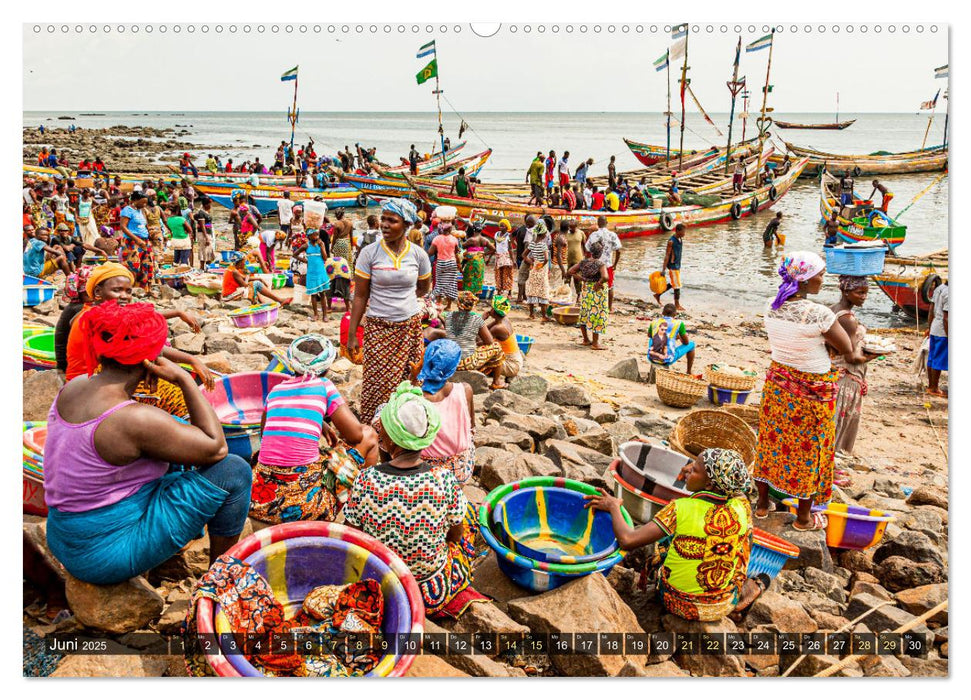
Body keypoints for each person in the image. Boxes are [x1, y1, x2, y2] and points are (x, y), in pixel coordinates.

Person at [44, 301, 252, 585]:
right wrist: (183, 379)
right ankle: (221, 579)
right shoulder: (134, 419)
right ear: (149, 361)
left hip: (65, 537)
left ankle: (176, 546)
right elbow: (217, 448)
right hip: (102, 554)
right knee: (234, 470)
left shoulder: (75, 386)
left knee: (177, 438)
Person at [343, 382, 487, 619]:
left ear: (388, 439)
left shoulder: (366, 479)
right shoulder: (444, 479)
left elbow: (354, 536)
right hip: (431, 590)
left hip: (381, 586)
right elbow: (455, 535)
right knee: (467, 519)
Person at [586, 449, 768, 623]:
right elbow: (736, 491)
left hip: (676, 603)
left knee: (654, 544)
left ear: (709, 484)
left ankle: (742, 593)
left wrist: (613, 506)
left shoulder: (679, 508)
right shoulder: (741, 506)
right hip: (721, 606)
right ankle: (742, 592)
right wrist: (697, 471)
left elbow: (627, 540)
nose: (687, 469)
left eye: (694, 469)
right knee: (739, 541)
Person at [754, 252, 863, 530]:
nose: (822, 280)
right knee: (810, 451)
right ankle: (804, 518)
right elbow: (847, 349)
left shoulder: (771, 305)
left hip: (779, 384)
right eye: (819, 274)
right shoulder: (818, 313)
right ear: (804, 279)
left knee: (771, 443)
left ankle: (763, 506)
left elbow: (798, 339)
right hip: (811, 391)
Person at [251, 336, 378, 524]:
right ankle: (363, 505)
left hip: (262, 501)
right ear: (326, 368)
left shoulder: (276, 390)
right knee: (370, 435)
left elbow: (266, 436)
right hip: (306, 506)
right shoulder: (324, 386)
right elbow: (356, 435)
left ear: (292, 364)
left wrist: (322, 423)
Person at [347, 199, 432, 423]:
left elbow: (423, 288)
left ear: (406, 225)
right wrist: (352, 334)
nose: (384, 224)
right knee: (377, 383)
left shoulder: (418, 255)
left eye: (391, 221)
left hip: (409, 328)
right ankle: (374, 429)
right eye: (383, 219)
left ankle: (403, 428)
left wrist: (402, 301)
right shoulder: (369, 253)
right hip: (378, 327)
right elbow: (360, 296)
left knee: (409, 381)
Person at [831, 276, 880, 455]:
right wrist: (872, 356)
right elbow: (851, 357)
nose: (864, 297)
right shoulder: (847, 319)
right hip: (846, 376)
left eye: (866, 293)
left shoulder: (834, 310)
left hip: (835, 371)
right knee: (839, 420)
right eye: (859, 292)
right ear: (845, 292)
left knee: (834, 420)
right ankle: (831, 462)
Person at [415, 340, 476, 484]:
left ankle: (391, 467)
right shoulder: (465, 389)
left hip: (424, 466)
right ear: (453, 368)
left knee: (382, 416)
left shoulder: (415, 395)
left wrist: (412, 379)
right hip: (458, 469)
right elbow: (472, 427)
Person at [569, 242, 609, 350]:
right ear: (600, 253)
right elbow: (605, 277)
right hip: (597, 292)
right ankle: (595, 343)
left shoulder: (583, 262)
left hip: (586, 289)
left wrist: (582, 279)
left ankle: (586, 339)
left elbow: (571, 271)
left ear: (591, 252)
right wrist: (598, 283)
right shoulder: (600, 264)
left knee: (585, 313)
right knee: (596, 314)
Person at [118, 191, 154, 289]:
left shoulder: (140, 210)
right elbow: (123, 227)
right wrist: (137, 240)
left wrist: (149, 232)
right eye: (142, 202)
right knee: (133, 265)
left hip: (144, 241)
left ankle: (144, 288)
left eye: (145, 203)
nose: (144, 205)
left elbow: (142, 225)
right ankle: (131, 288)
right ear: (134, 200)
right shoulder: (127, 210)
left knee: (146, 264)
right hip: (132, 242)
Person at [586, 216, 622, 311]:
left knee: (595, 284)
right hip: (607, 265)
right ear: (607, 222)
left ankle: (595, 305)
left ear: (598, 223)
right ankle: (609, 308)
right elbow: (618, 251)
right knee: (610, 286)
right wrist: (615, 264)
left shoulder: (593, 235)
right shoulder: (612, 235)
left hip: (595, 265)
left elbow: (587, 249)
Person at [483, 295, 523, 381]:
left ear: (494, 311)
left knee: (479, 356)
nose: (490, 310)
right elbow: (485, 330)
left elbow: (481, 339)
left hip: (511, 365)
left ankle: (496, 381)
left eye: (492, 308)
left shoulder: (498, 328)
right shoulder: (503, 320)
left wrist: (481, 320)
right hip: (515, 360)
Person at [647, 303, 696, 373]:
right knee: (692, 345)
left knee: (653, 337)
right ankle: (688, 371)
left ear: (662, 312)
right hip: (667, 360)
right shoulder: (678, 323)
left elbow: (649, 335)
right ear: (675, 314)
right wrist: (678, 337)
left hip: (651, 358)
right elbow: (686, 342)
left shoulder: (654, 322)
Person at [222, 258, 292, 306]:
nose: (245, 264)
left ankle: (266, 302)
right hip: (230, 295)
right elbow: (245, 285)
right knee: (255, 284)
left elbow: (242, 278)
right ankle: (279, 300)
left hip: (228, 293)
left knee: (255, 283)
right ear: (239, 263)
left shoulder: (231, 268)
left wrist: (258, 278)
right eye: (244, 262)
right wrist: (250, 275)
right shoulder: (235, 271)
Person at [430, 218, 461, 311]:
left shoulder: (437, 238)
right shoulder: (454, 239)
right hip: (451, 263)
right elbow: (457, 251)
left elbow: (430, 252)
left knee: (439, 282)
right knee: (451, 284)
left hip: (441, 263)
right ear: (450, 229)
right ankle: (448, 306)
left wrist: (437, 250)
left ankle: (438, 303)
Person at [524, 221, 552, 321]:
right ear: (544, 234)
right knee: (543, 291)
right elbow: (546, 259)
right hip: (541, 269)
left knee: (532, 290)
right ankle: (544, 316)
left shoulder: (532, 244)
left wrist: (531, 263)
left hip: (534, 268)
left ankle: (531, 314)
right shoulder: (543, 245)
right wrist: (542, 265)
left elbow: (524, 255)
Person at [655, 223, 686, 311]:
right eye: (683, 231)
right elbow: (667, 255)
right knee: (677, 286)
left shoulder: (679, 239)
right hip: (673, 266)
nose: (684, 233)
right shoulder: (671, 241)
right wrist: (663, 269)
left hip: (677, 265)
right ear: (678, 231)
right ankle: (677, 304)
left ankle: (658, 294)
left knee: (673, 283)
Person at [926, 279, 949, 398]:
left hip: (935, 327)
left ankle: (931, 385)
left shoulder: (939, 289)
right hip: (943, 330)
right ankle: (934, 387)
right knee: (939, 359)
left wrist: (929, 327)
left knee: (932, 357)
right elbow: (946, 318)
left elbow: (931, 310)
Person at [461, 223, 494, 298]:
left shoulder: (471, 240)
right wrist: (484, 254)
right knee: (479, 278)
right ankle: (477, 296)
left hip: (472, 261)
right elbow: (493, 249)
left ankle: (468, 296)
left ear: (473, 229)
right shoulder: (485, 240)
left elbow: (462, 246)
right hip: (480, 261)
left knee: (469, 277)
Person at [493, 219, 516, 298]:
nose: (501, 227)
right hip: (498, 256)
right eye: (500, 225)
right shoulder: (496, 234)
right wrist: (490, 257)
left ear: (507, 227)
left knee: (507, 274)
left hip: (506, 257)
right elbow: (494, 246)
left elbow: (510, 248)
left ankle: (509, 291)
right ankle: (499, 290)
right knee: (498, 274)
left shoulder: (508, 236)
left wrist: (513, 260)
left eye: (503, 226)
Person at [192, 197, 215, 269]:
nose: (210, 206)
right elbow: (202, 226)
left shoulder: (205, 212)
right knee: (203, 250)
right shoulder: (201, 213)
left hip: (208, 232)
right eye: (209, 204)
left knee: (209, 251)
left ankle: (207, 267)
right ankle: (202, 267)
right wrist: (206, 237)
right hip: (203, 234)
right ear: (206, 205)